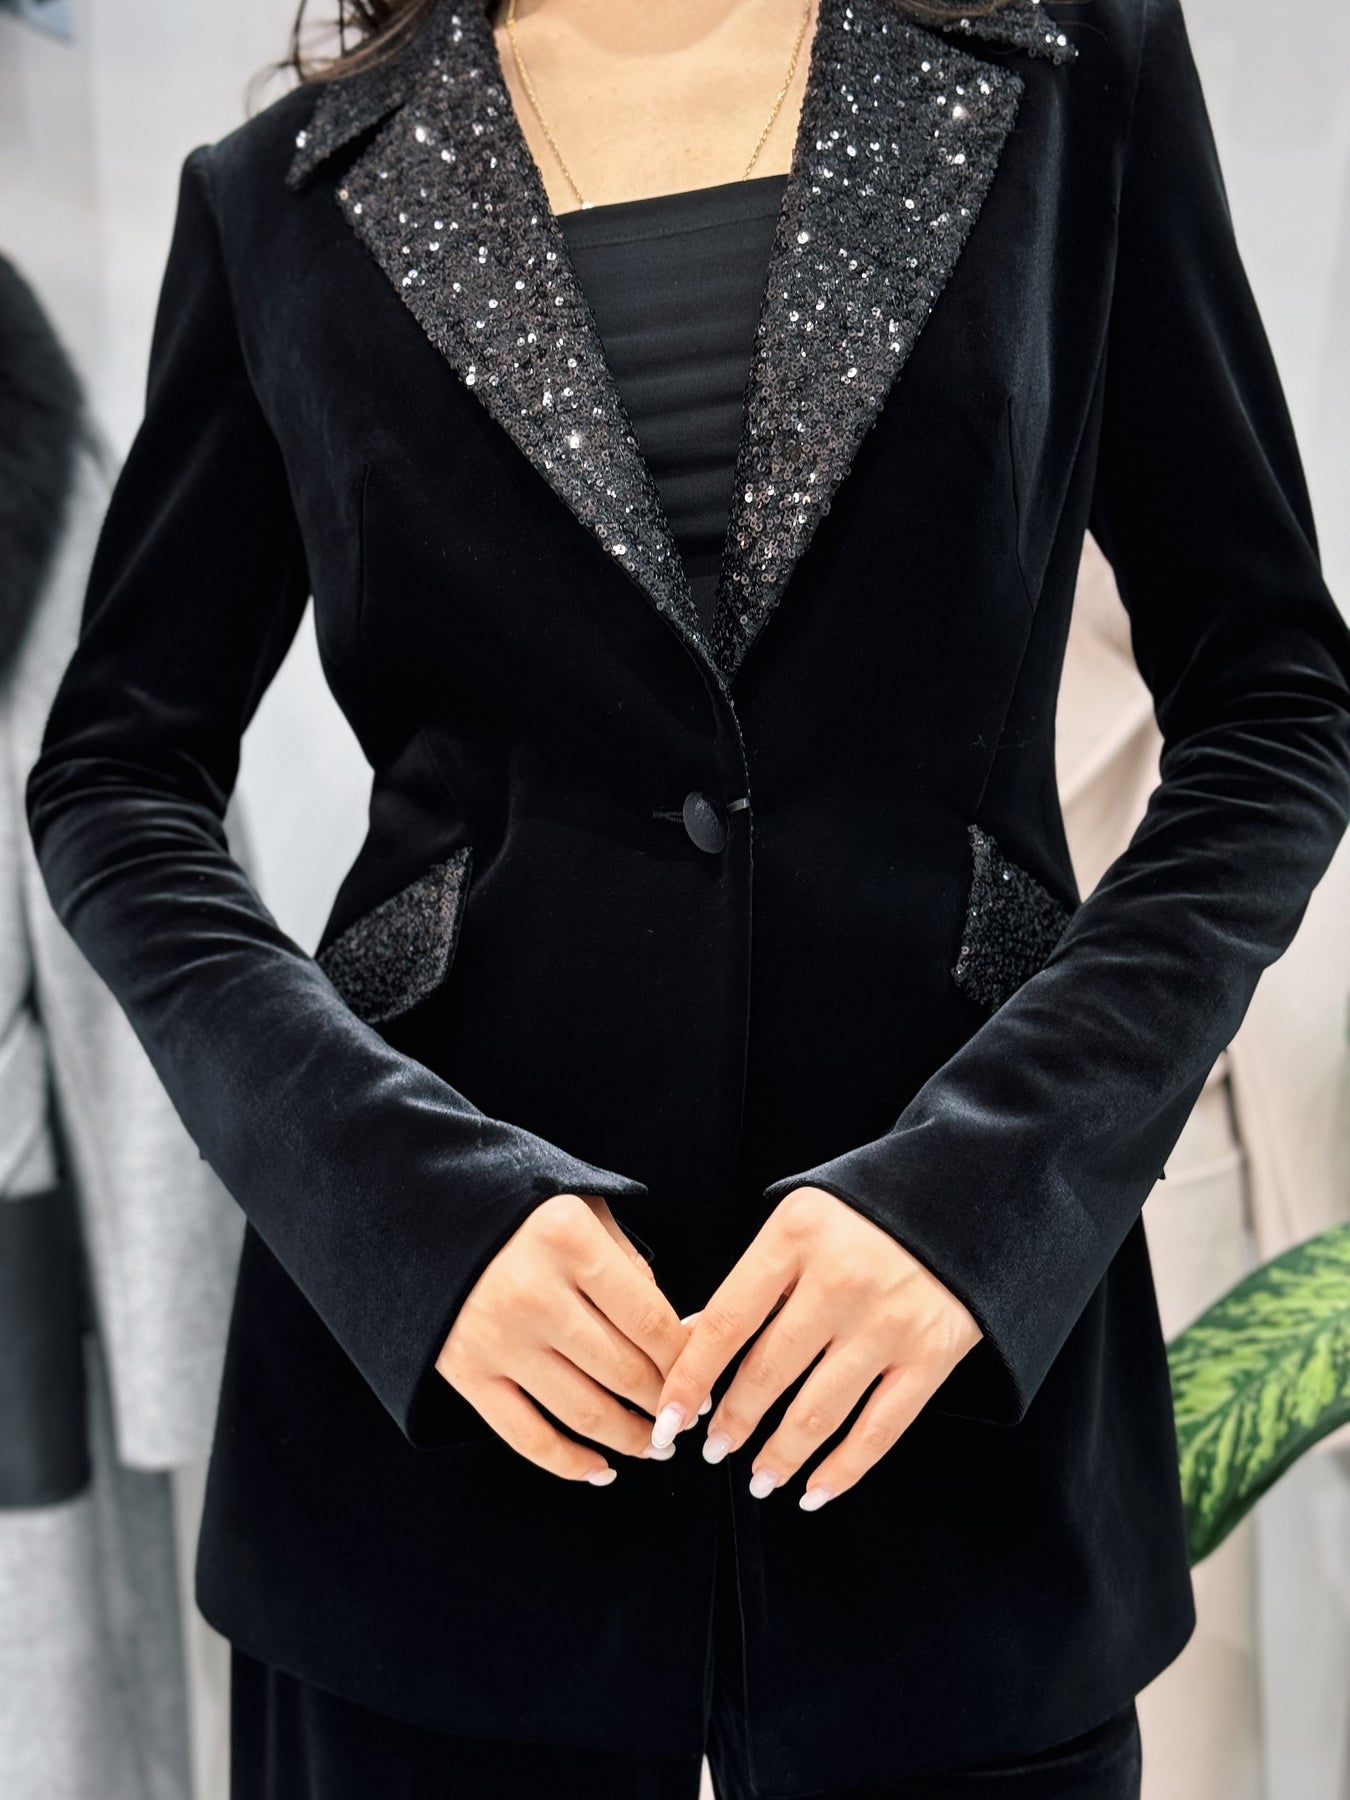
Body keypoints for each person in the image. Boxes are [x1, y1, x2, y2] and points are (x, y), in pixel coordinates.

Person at [23, 0, 1350, 1795]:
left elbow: (1273, 699)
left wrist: (994, 1187)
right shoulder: (285, 194)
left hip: (945, 1423)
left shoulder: (1058, 76)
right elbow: (115, 773)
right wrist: (395, 1210)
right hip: (445, 1448)